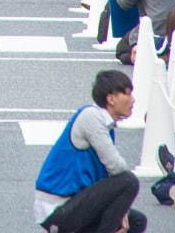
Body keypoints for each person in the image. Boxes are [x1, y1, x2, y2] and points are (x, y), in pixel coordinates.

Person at [33, 70, 145, 233]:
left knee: (137, 221)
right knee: (129, 181)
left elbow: (108, 181)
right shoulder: (91, 117)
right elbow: (116, 167)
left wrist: (123, 211)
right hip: (57, 208)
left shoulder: (106, 124)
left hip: (75, 203)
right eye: (127, 94)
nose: (133, 100)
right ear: (111, 98)